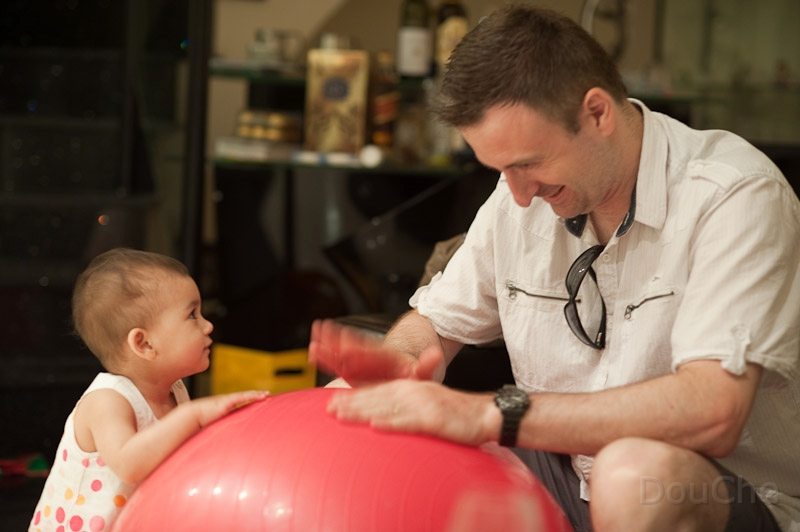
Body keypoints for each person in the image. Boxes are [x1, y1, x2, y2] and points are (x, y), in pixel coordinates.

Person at [309, 5, 800, 532]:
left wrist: (488, 414)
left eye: (528, 164)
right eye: (500, 169)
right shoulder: (517, 197)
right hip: (559, 471)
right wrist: (400, 362)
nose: (518, 194)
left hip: (715, 492)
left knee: (630, 473)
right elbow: (435, 322)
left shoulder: (735, 194)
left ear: (597, 113)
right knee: (348, 417)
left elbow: (714, 410)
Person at [29, 248, 268, 532]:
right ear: (144, 344)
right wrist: (194, 415)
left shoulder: (174, 393)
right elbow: (129, 464)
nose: (208, 325)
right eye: (192, 315)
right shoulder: (107, 400)